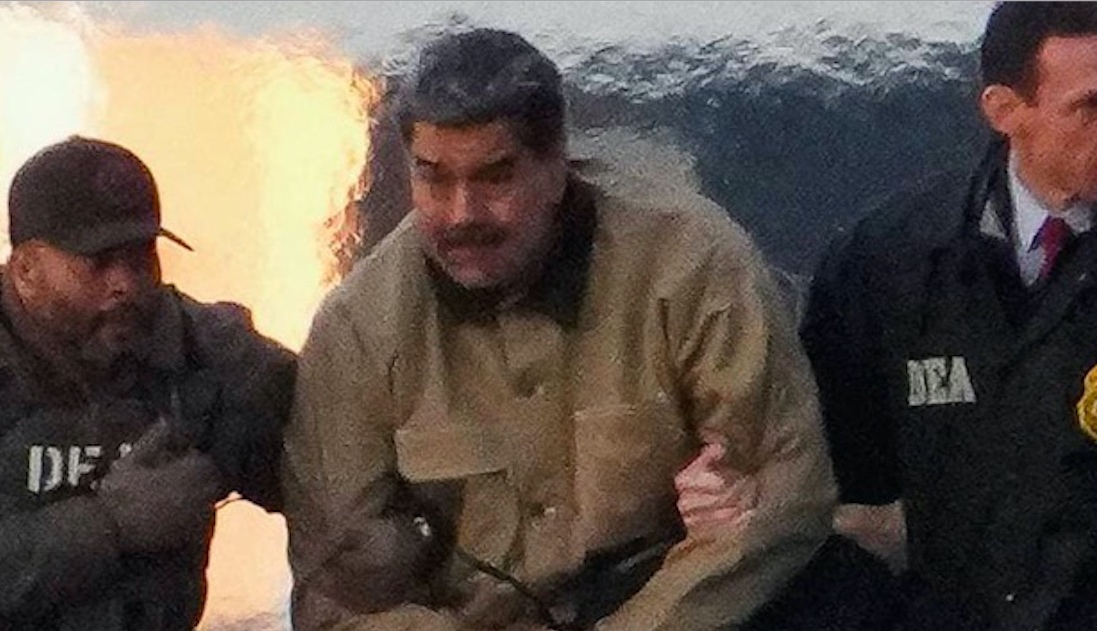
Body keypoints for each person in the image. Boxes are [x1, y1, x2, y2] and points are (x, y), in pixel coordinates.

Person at [282, 28, 837, 631]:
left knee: (840, 587)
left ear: (555, 167)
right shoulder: (358, 329)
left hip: (669, 613)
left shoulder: (690, 264)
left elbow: (785, 495)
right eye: (434, 178)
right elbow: (339, 599)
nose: (462, 214)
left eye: (495, 177)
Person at [802, 3, 1097, 630]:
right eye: (1092, 106)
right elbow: (826, 464)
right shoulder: (890, 261)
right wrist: (735, 484)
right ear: (1004, 110)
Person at [0, 136, 295, 630]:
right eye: (100, 261)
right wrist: (108, 526)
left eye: (141, 257)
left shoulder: (205, 350)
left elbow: (334, 471)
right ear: (26, 269)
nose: (126, 284)